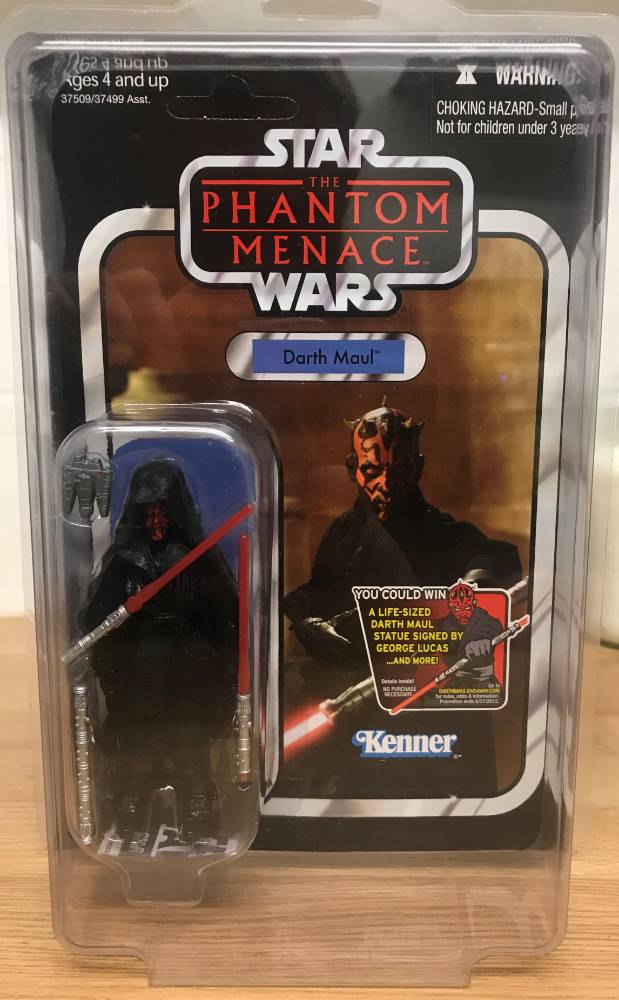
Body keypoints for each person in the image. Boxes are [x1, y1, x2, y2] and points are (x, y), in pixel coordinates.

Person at [83, 458, 238, 842]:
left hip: (190, 663)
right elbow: (97, 618)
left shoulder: (201, 559)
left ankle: (198, 806)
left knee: (190, 742)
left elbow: (227, 619)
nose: (156, 519)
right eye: (149, 510)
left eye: (163, 510)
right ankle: (132, 803)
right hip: (142, 663)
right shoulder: (123, 562)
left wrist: (222, 670)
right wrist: (112, 670)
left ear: (176, 511)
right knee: (140, 742)